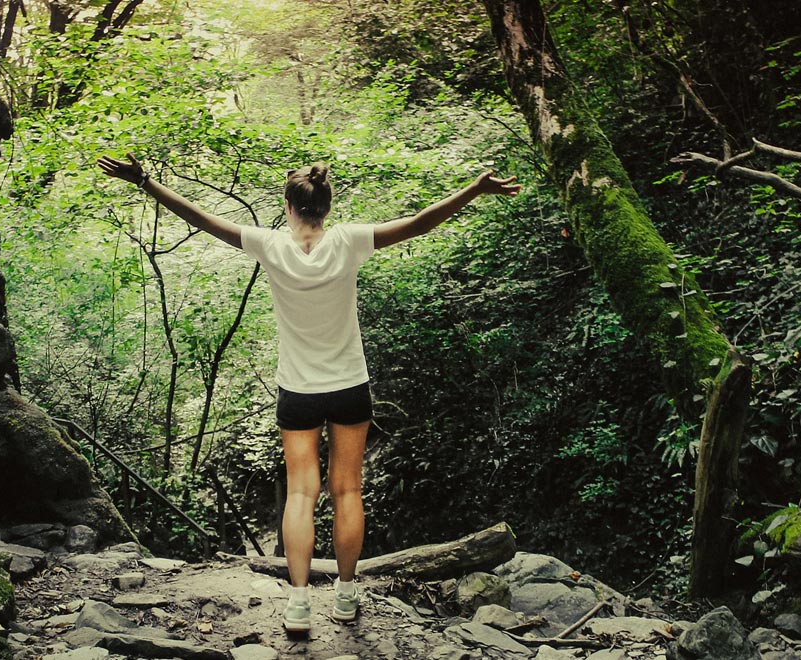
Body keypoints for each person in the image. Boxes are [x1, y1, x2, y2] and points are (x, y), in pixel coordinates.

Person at [95, 153, 520, 632]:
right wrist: (474, 190)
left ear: (288, 205)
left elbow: (201, 218)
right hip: (349, 386)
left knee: (300, 492)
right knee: (348, 491)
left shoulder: (269, 244)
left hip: (297, 390)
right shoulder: (351, 239)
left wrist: (146, 181)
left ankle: (298, 604)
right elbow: (420, 223)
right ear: (327, 204)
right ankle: (344, 595)